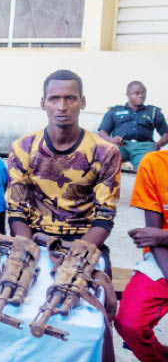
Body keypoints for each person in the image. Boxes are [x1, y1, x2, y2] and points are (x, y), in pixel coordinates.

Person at [7, 70, 121, 275]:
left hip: (84, 239)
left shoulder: (105, 152)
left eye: (70, 98)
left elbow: (105, 216)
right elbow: (16, 211)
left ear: (82, 102)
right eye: (54, 99)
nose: (62, 107)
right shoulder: (23, 147)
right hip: (34, 237)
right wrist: (28, 249)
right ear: (43, 103)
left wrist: (77, 254)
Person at [115, 150, 168, 362]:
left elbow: (158, 236)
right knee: (130, 323)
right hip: (163, 257)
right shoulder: (156, 163)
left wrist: (163, 237)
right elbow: (151, 236)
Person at [98, 80, 168, 170]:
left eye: (143, 93)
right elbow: (102, 132)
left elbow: (166, 133)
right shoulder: (115, 111)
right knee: (104, 161)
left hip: (144, 147)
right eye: (137, 93)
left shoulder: (154, 112)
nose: (141, 95)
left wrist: (159, 144)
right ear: (128, 94)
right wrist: (111, 140)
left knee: (145, 169)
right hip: (121, 145)